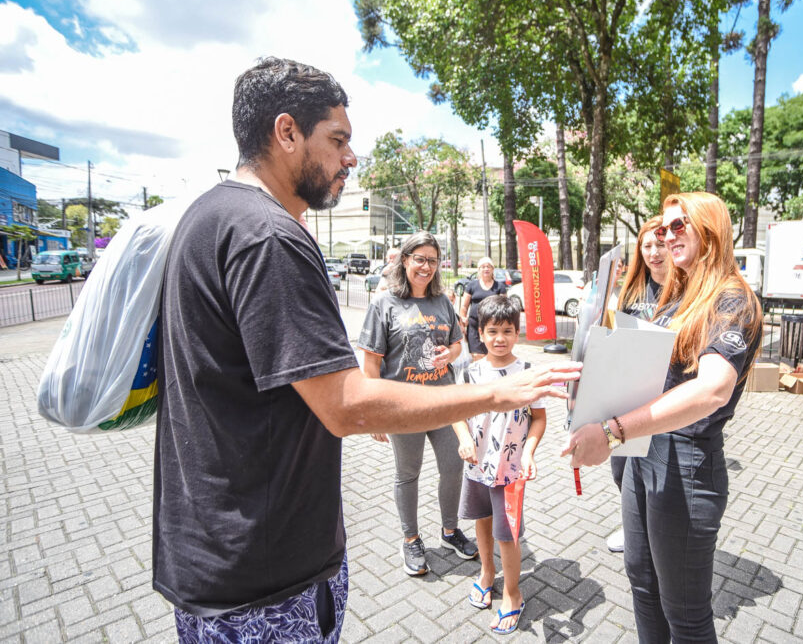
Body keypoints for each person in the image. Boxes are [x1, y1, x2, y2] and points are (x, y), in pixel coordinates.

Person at [155, 57, 579, 642]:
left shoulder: (209, 215)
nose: (351, 158)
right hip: (264, 572)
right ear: (286, 132)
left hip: (215, 550)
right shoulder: (270, 237)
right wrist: (496, 393)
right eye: (338, 140)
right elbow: (346, 404)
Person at [562, 191, 763, 643]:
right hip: (645, 452)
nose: (667, 235)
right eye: (663, 227)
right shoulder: (680, 292)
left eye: (678, 225)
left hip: (687, 464)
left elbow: (712, 389)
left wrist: (611, 433)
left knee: (685, 614)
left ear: (709, 229)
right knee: (641, 578)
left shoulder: (731, 298)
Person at [359, 231, 479, 577]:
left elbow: (457, 345)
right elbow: (371, 364)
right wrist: (375, 414)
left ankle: (449, 530)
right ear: (405, 260)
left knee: (453, 467)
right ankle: (410, 539)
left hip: (443, 403)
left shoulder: (442, 302)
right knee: (407, 474)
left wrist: (448, 354)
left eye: (433, 261)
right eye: (420, 259)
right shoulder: (384, 304)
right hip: (403, 408)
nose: (426, 267)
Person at [453, 295, 546, 635]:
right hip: (477, 466)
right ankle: (487, 573)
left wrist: (529, 452)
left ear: (517, 333)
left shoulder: (528, 373)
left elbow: (538, 419)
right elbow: (457, 414)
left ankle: (512, 593)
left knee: (507, 535)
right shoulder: (470, 371)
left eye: (507, 331)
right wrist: (464, 438)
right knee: (482, 520)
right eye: (492, 331)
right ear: (480, 333)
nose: (500, 338)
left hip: (509, 471)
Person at [605, 216, 674, 554]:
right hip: (628, 395)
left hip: (665, 398)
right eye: (647, 246)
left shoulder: (686, 291)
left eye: (660, 244)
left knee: (656, 473)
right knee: (621, 468)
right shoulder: (632, 291)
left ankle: (650, 529)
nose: (654, 252)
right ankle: (633, 521)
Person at [459, 257, 507, 360]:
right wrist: (463, 318)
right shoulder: (471, 285)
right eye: (483, 267)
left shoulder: (500, 287)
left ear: (492, 269)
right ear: (479, 269)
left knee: (491, 353)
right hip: (474, 325)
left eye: (488, 266)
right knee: (476, 354)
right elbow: (464, 306)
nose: (486, 269)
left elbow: (504, 307)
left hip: (493, 326)